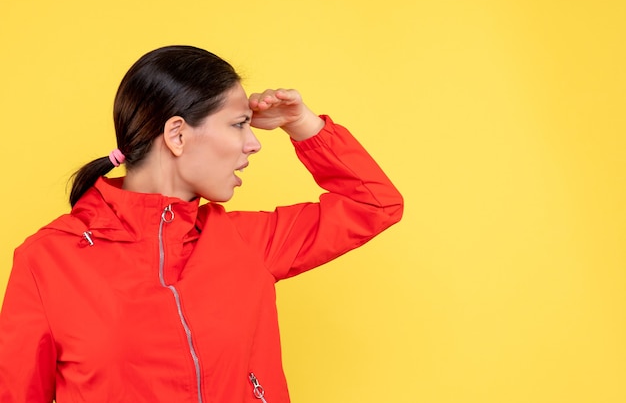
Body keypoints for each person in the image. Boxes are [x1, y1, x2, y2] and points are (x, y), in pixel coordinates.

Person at [0, 45, 403, 402]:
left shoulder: (248, 243)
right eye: (238, 124)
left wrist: (300, 124)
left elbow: (374, 203)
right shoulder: (48, 260)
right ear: (177, 134)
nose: (254, 142)